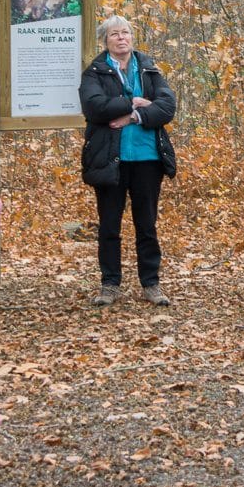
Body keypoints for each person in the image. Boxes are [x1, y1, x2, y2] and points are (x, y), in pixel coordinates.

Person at [79, 16, 178, 307]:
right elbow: (94, 107)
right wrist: (134, 101)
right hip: (110, 159)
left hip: (148, 158)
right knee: (109, 225)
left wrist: (133, 117)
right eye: (114, 34)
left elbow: (167, 106)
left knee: (146, 225)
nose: (121, 38)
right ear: (105, 40)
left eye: (125, 33)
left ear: (132, 37)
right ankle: (110, 284)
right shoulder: (95, 71)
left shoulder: (148, 68)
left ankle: (151, 283)